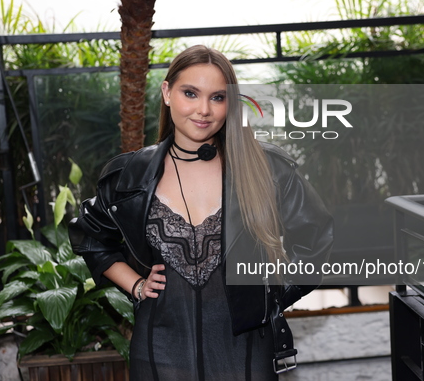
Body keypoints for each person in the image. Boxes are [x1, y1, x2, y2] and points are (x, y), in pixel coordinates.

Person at [68, 45, 333, 380]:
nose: (204, 109)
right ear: (166, 92)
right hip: (159, 352)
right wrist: (135, 285)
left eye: (218, 97)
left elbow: (317, 238)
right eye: (190, 93)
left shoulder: (265, 168)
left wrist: (273, 293)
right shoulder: (129, 176)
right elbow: (90, 237)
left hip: (245, 352)